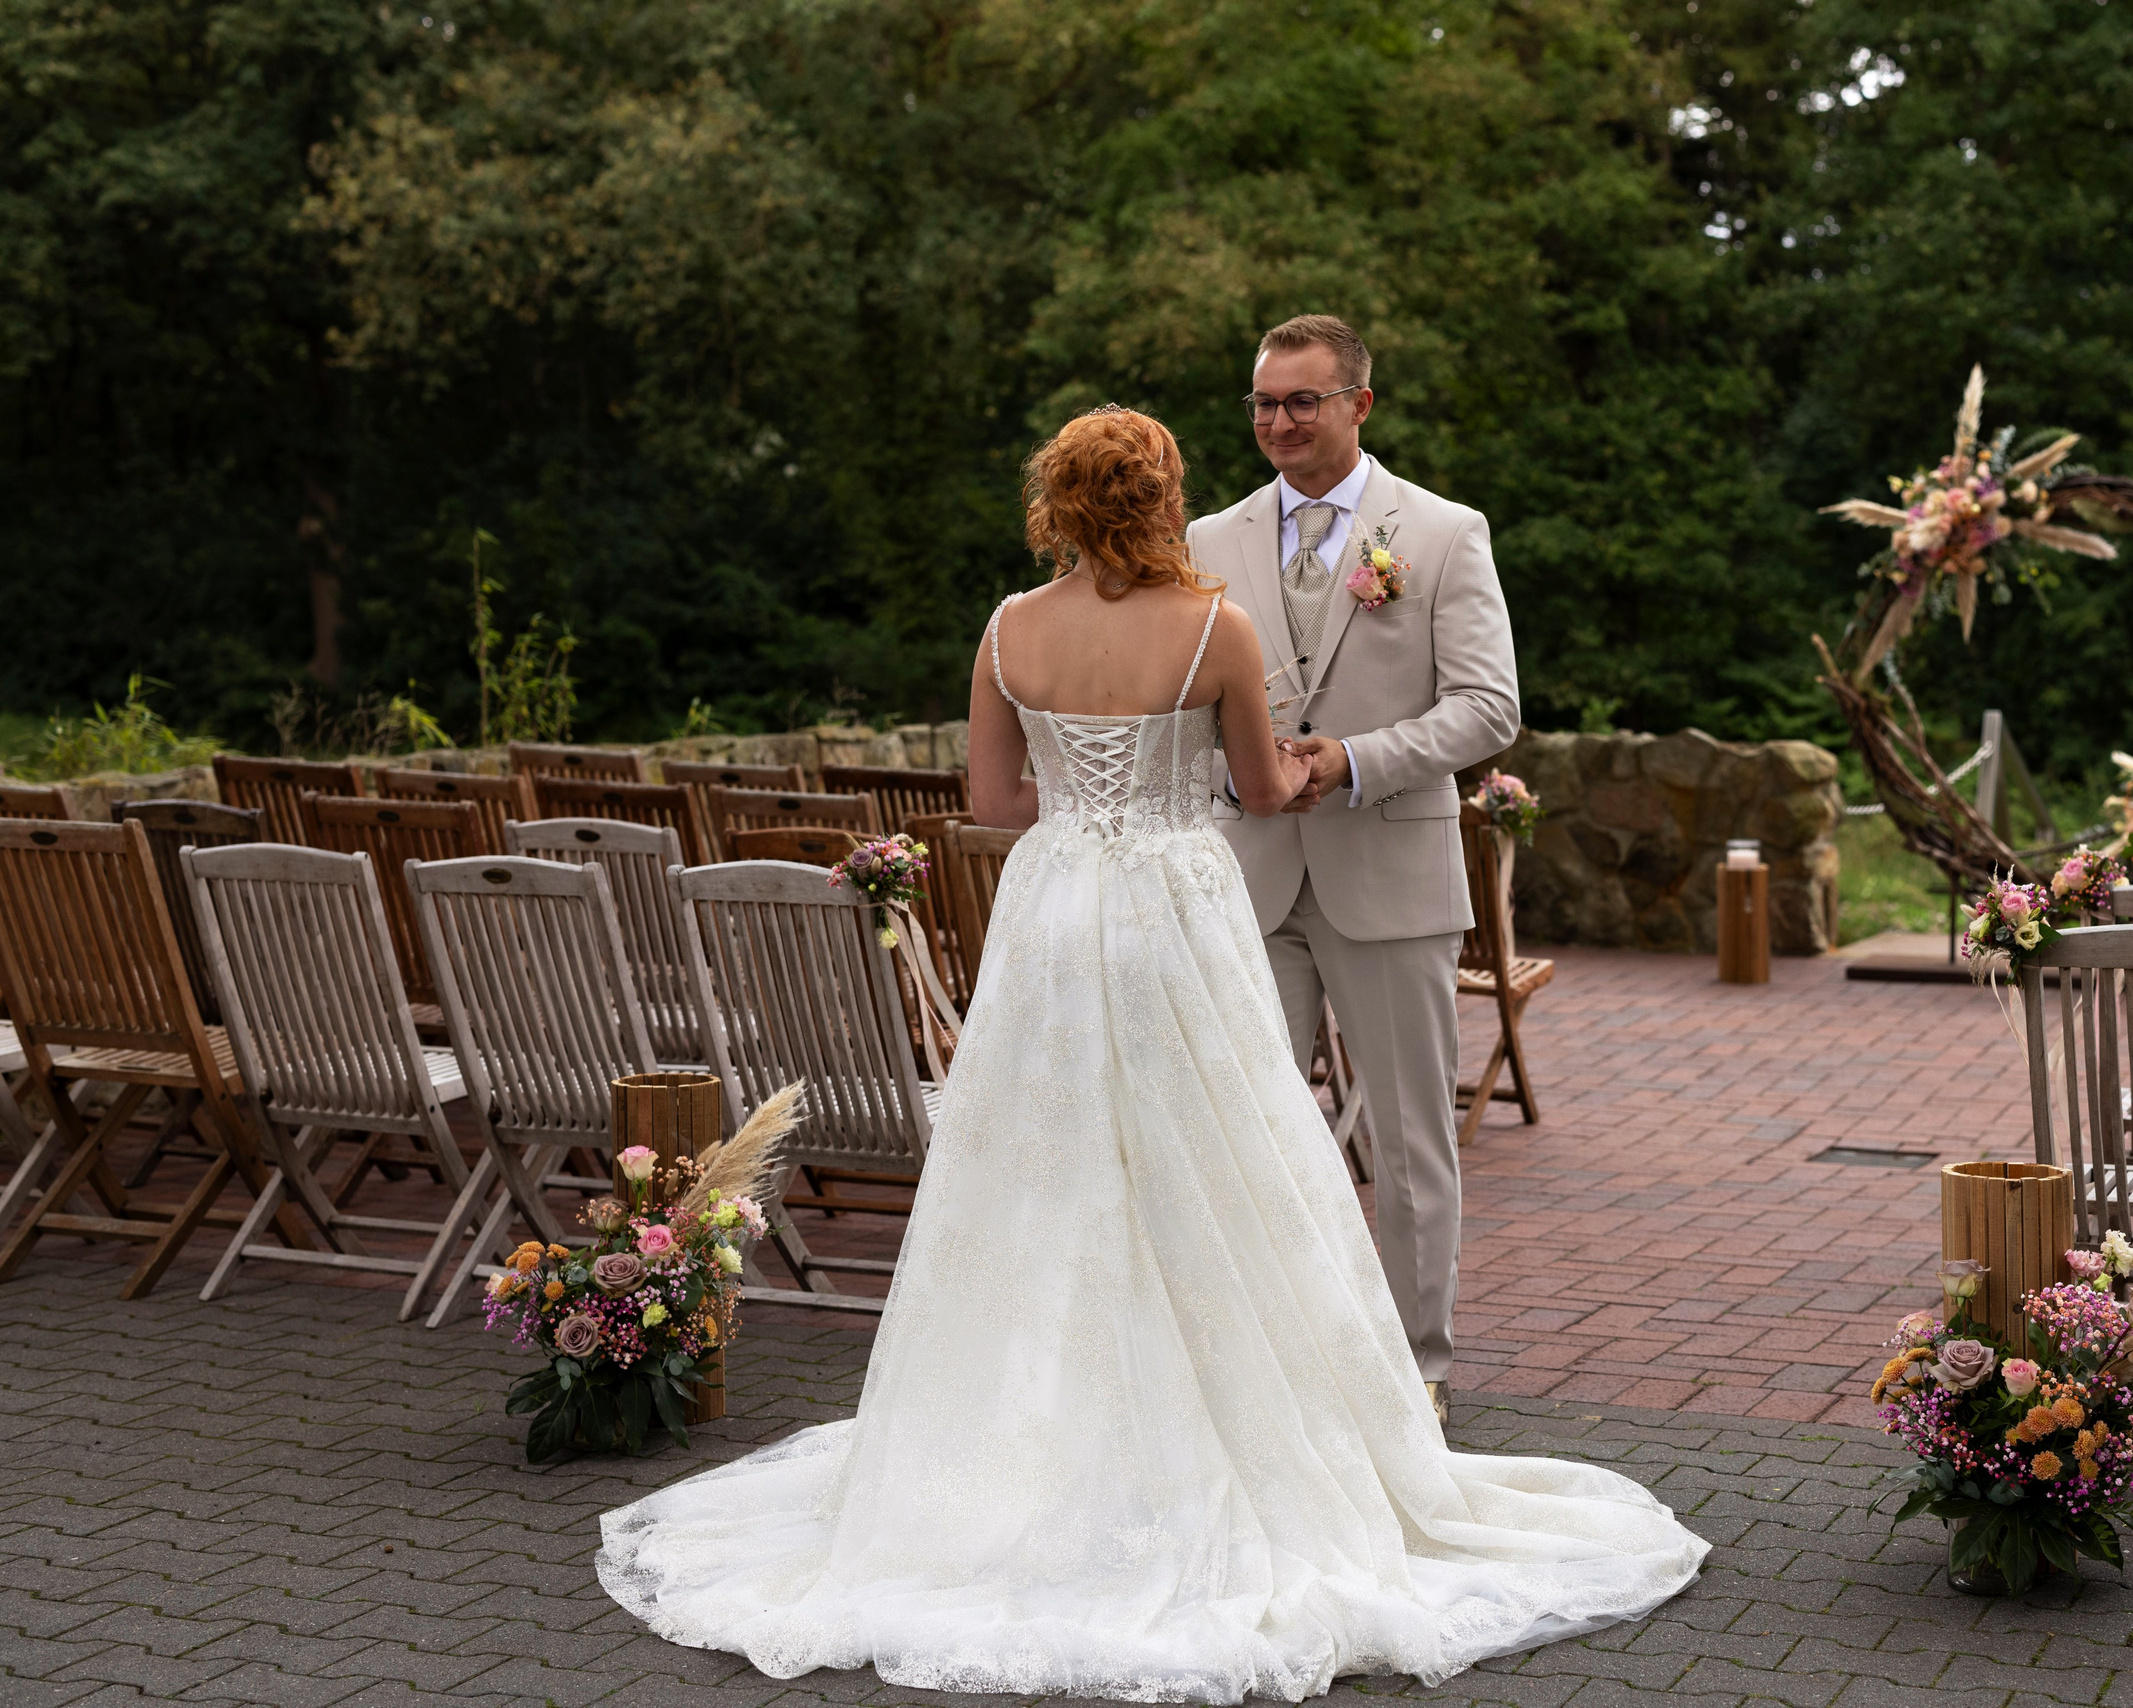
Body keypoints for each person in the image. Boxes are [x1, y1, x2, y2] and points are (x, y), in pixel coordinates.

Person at [593, 406, 1705, 1701]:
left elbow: (994, 806)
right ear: (1164, 497)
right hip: (1177, 912)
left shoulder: (1010, 629)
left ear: (1055, 502)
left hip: (1057, 911)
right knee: (1215, 1162)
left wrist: (1083, 807)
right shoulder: (1217, 627)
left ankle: (1034, 1449)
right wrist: (1266, 771)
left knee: (1047, 1169)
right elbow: (1264, 791)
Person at [1192, 314, 1517, 1423]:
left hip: (1390, 872)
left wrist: (1355, 760)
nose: (1278, 422)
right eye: (1263, 403)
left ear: (1358, 405)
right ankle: (1270, 1361)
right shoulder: (1205, 541)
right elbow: (1184, 707)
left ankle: (1414, 1367)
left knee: (1412, 1139)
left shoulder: (1439, 530)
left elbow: (1488, 707)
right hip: (1247, 876)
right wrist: (1228, 777)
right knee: (1250, 1132)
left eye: (1302, 401)